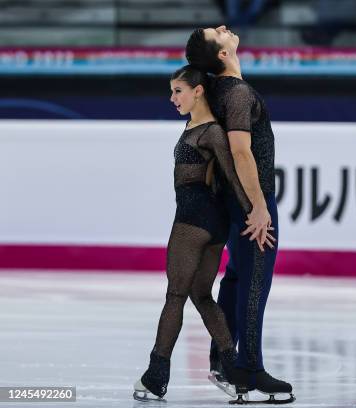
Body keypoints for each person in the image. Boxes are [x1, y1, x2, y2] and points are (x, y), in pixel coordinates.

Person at [133, 65, 264, 402]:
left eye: (178, 91)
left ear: (198, 91)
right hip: (211, 222)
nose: (172, 98)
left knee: (175, 295)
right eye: (172, 91)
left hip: (193, 219)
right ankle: (233, 371)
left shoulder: (211, 132)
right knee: (201, 296)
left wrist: (256, 214)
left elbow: (234, 177)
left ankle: (155, 374)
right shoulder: (195, 125)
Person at [185, 26, 295, 404]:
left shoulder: (216, 92)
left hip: (229, 199)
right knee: (254, 281)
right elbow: (241, 151)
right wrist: (259, 205)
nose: (225, 29)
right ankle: (248, 367)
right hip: (250, 200)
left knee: (236, 277)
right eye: (218, 32)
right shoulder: (237, 93)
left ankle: (223, 358)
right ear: (221, 54)